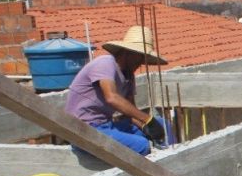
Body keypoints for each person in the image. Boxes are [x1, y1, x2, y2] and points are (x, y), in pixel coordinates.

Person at [63, 25, 169, 156]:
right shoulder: (105, 63)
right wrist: (147, 119)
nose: (141, 61)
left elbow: (131, 113)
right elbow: (111, 97)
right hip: (84, 130)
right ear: (127, 53)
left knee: (162, 125)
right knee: (142, 145)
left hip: (106, 126)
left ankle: (169, 155)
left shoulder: (128, 75)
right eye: (140, 56)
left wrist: (145, 126)